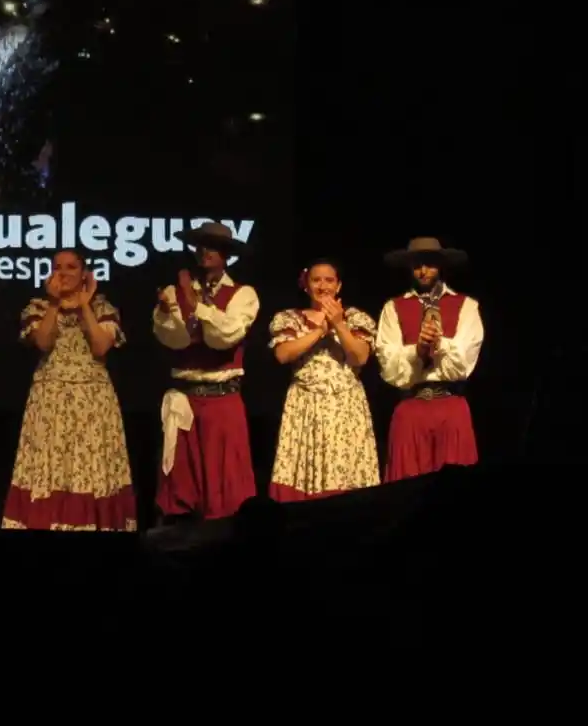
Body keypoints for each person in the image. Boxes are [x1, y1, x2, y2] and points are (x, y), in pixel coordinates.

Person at [2, 250, 136, 531]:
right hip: (50, 401)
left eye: (71, 267)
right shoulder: (38, 306)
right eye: (57, 267)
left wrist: (85, 305)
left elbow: (101, 346)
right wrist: (54, 303)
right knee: (50, 468)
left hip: (92, 403)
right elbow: (43, 343)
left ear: (85, 273)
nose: (63, 273)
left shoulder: (102, 308)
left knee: (89, 468)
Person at [152, 222, 258, 521]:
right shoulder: (176, 291)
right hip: (186, 397)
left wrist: (195, 305)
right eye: (200, 245)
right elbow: (174, 339)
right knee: (182, 485)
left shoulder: (243, 294)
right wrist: (170, 308)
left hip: (221, 401)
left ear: (226, 254)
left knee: (225, 485)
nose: (203, 252)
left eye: (211, 246)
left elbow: (223, 336)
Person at [267, 260, 380, 501]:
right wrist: (320, 330)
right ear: (306, 286)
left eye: (329, 280)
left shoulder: (355, 318)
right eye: (316, 280)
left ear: (339, 286)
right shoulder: (290, 318)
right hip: (305, 406)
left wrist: (338, 324)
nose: (323, 286)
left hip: (345, 407)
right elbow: (283, 354)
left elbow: (359, 356)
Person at [375, 237, 483, 479]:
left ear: (441, 266)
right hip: (412, 408)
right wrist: (418, 350)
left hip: (451, 406)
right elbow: (389, 365)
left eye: (429, 264)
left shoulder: (466, 305)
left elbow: (464, 363)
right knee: (406, 489)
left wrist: (439, 343)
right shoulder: (393, 307)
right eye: (416, 265)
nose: (423, 271)